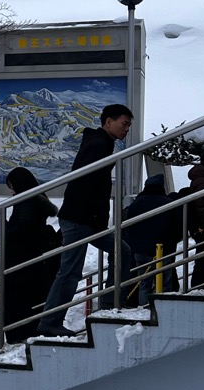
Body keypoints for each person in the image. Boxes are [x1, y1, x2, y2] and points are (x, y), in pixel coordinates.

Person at [43, 103, 135, 331]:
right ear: (109, 121)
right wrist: (93, 215)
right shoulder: (99, 145)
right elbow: (86, 183)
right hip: (80, 219)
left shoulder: (101, 143)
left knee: (121, 250)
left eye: (129, 126)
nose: (126, 130)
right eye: (124, 124)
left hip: (89, 221)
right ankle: (50, 323)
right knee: (70, 272)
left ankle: (109, 304)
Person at [0, 167, 59, 344]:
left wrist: (7, 229)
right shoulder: (37, 199)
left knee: (16, 300)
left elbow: (24, 227)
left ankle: (18, 335)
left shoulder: (25, 200)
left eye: (11, 185)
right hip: (32, 261)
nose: (11, 190)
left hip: (21, 261)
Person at [122, 176, 182, 303]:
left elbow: (128, 227)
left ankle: (143, 308)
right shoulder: (168, 203)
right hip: (163, 250)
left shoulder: (136, 203)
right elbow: (177, 227)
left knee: (144, 284)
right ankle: (164, 309)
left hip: (140, 251)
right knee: (165, 285)